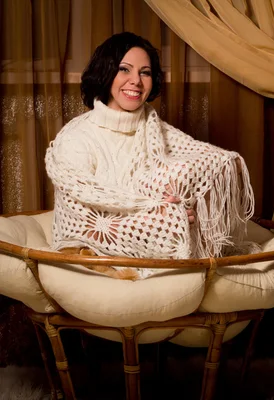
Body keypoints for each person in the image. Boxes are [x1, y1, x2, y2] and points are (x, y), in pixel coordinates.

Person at [45, 32, 255, 280]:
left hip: (158, 238)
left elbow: (221, 166)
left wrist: (187, 209)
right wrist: (161, 216)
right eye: (125, 69)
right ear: (106, 72)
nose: (136, 81)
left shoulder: (159, 131)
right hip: (95, 249)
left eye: (144, 72)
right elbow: (86, 224)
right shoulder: (75, 138)